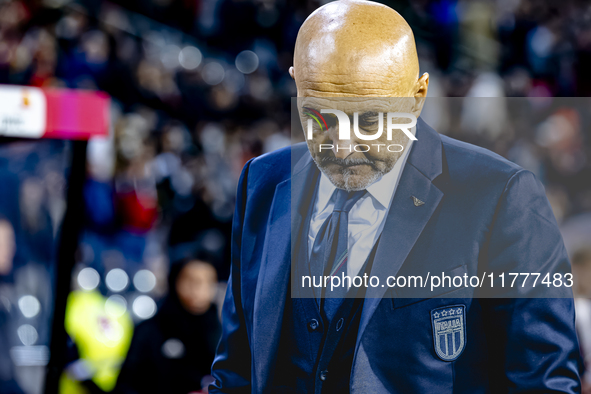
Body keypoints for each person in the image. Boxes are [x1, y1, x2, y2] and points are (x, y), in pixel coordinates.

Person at [210, 1, 581, 393]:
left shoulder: (501, 195)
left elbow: (543, 382)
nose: (344, 144)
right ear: (296, 82)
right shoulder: (263, 182)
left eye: (370, 119)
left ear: (418, 95)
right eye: (318, 115)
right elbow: (236, 370)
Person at [116, 258, 221, 394]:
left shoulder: (222, 333)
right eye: (191, 281)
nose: (199, 290)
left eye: (208, 282)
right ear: (174, 282)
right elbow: (125, 385)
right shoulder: (150, 330)